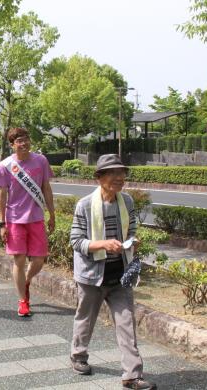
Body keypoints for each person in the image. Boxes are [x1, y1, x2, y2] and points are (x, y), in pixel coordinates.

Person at [69, 154, 156, 389]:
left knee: (127, 323)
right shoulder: (85, 204)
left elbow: (132, 230)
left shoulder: (126, 201)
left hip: (120, 274)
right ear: (99, 178)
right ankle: (78, 356)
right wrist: (103, 244)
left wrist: (131, 241)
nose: (120, 178)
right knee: (85, 320)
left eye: (122, 173)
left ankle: (132, 375)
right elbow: (76, 241)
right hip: (91, 275)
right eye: (113, 173)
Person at [0, 127, 55, 317]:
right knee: (19, 260)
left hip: (36, 217)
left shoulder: (41, 160)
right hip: (14, 219)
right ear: (12, 145)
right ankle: (22, 300)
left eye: (26, 139)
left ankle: (26, 280)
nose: (24, 143)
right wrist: (2, 223)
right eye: (19, 140)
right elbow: (1, 196)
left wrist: (52, 214)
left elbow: (46, 187)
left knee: (39, 259)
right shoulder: (5, 166)